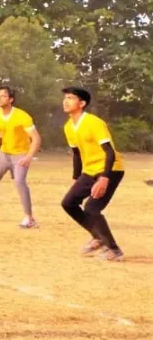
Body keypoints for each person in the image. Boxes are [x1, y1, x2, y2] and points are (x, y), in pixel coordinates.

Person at [58, 87, 125, 261]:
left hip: (111, 169)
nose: (66, 101)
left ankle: (114, 250)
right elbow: (77, 154)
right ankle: (98, 237)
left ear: (82, 103)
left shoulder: (94, 122)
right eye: (65, 97)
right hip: (89, 171)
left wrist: (104, 178)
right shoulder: (68, 127)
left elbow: (109, 152)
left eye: (71, 98)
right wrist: (76, 178)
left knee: (92, 208)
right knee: (69, 203)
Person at [0, 86, 41, 228]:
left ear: (11, 99)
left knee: (19, 181)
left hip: (20, 154)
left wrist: (29, 157)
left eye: (3, 96)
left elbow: (36, 139)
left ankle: (29, 218)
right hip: (4, 153)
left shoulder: (22, 116)